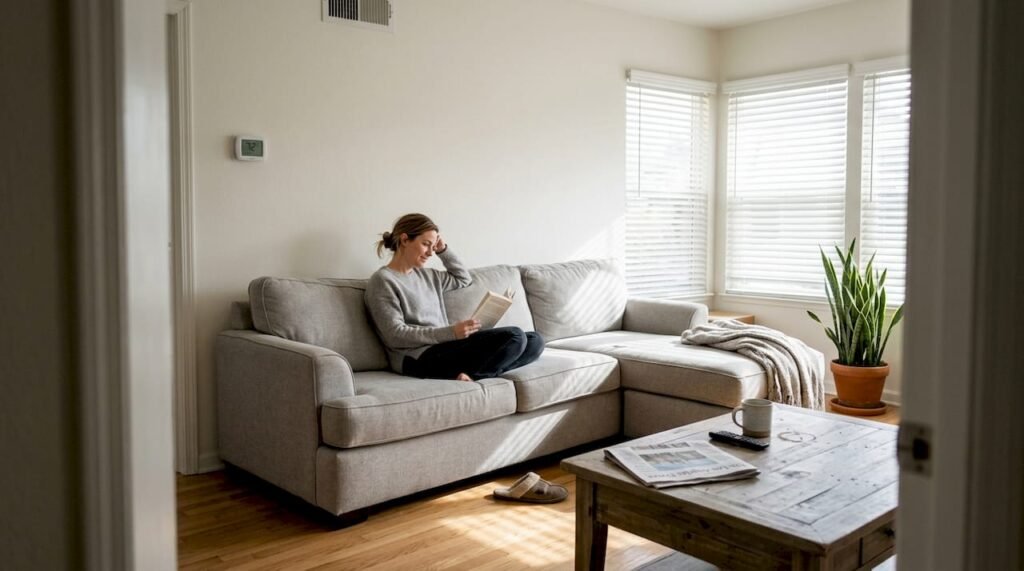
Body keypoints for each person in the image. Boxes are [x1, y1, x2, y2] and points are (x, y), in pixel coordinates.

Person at [364, 213, 543, 382]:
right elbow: (396, 335)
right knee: (515, 336)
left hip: (446, 347)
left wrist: (443, 249)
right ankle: (475, 374)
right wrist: (451, 332)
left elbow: (464, 279)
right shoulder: (383, 281)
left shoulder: (429, 276)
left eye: (433, 247)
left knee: (535, 340)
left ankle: (471, 373)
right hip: (416, 357)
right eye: (426, 244)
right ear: (404, 240)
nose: (430, 252)